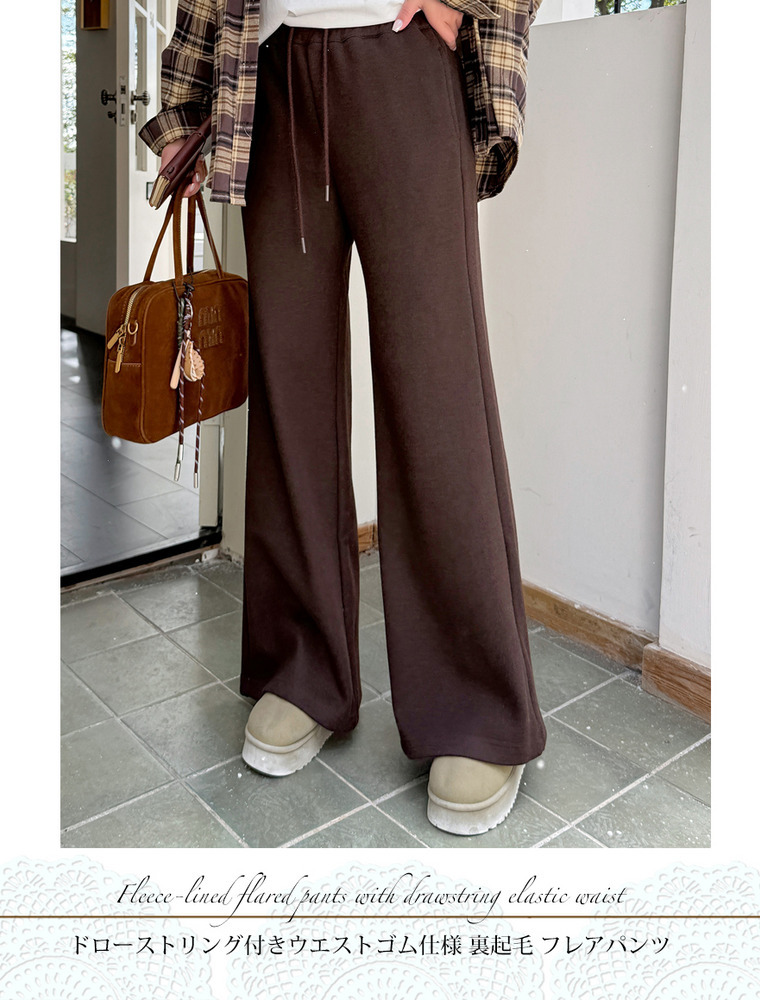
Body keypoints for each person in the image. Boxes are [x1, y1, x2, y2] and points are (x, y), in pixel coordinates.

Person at [139, 0, 546, 836]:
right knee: (289, 387)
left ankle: (475, 706)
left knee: (437, 391)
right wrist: (189, 100)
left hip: (403, 62)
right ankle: (303, 667)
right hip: (273, 73)